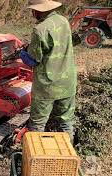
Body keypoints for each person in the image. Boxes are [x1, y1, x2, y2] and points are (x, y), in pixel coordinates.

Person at [20, 0, 77, 142]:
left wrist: (21, 53)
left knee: (38, 124)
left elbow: (33, 60)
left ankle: (35, 156)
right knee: (66, 121)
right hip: (67, 82)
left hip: (47, 86)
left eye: (33, 10)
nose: (33, 13)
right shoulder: (64, 21)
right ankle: (67, 153)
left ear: (39, 10)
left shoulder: (40, 29)